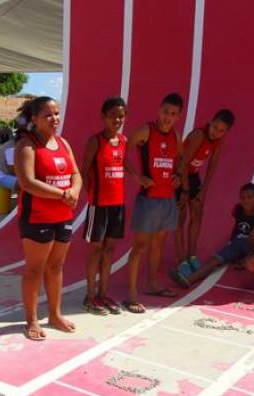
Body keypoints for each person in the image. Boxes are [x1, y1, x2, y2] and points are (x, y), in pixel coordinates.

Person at [14, 96, 81, 340]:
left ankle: (54, 314)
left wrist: (74, 191)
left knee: (55, 267)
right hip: (37, 217)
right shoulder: (27, 145)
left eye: (57, 114)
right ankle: (32, 319)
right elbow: (28, 183)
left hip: (63, 216)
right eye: (48, 115)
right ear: (35, 119)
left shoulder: (63, 143)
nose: (55, 119)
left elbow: (76, 173)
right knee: (34, 270)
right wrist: (64, 193)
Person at [122, 93, 184, 313]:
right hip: (148, 199)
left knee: (158, 245)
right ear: (159, 109)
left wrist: (178, 174)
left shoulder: (176, 136)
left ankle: (152, 284)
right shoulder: (145, 131)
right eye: (166, 111)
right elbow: (121, 152)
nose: (168, 117)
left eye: (173, 114)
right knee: (139, 246)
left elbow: (182, 159)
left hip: (167, 199)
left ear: (178, 116)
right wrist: (137, 177)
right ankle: (131, 294)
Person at [170, 182, 254, 288]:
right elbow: (236, 226)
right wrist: (231, 243)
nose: (245, 200)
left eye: (249, 197)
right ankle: (189, 280)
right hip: (237, 243)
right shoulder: (237, 209)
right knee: (215, 260)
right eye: (243, 197)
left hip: (251, 247)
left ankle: (248, 258)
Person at [174, 109, 235, 278]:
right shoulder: (199, 135)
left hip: (193, 176)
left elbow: (212, 165)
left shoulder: (218, 140)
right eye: (215, 127)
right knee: (180, 217)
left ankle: (191, 256)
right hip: (179, 175)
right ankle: (181, 261)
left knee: (197, 214)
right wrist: (185, 190)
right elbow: (183, 162)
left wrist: (204, 190)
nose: (216, 132)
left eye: (222, 130)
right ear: (211, 122)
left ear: (226, 132)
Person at [81, 96, 128, 315]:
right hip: (99, 205)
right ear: (103, 117)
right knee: (96, 251)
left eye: (121, 116)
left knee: (109, 251)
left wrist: (140, 177)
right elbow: (84, 170)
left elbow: (123, 166)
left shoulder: (124, 141)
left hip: (118, 204)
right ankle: (90, 297)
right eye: (113, 116)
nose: (117, 120)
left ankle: (103, 294)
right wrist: (88, 195)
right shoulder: (95, 141)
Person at [0, 99, 33, 190]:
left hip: (7, 172)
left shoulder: (24, 120)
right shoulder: (13, 147)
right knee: (26, 185)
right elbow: (12, 170)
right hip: (0, 175)